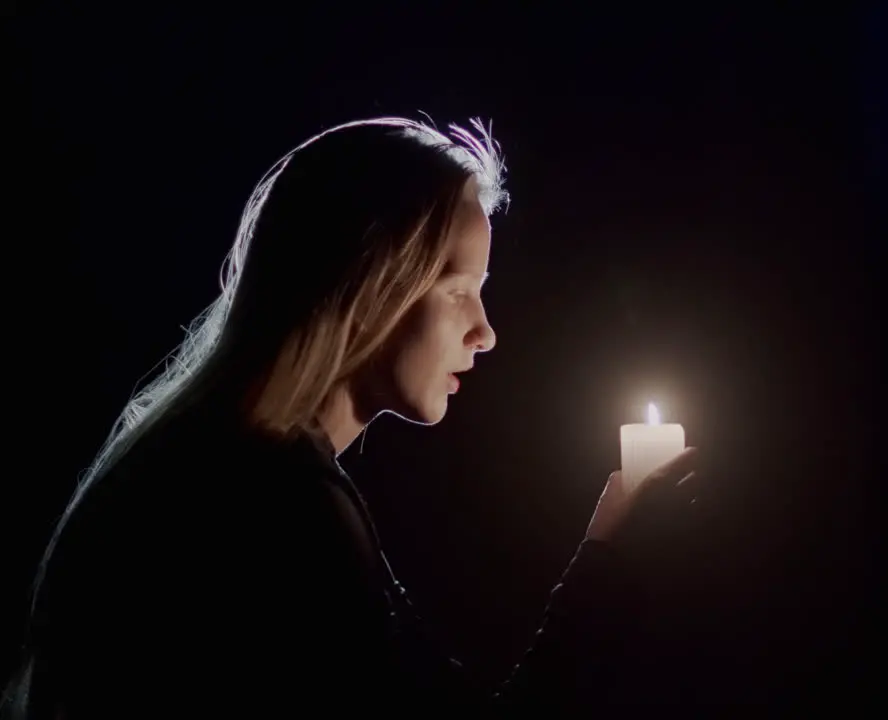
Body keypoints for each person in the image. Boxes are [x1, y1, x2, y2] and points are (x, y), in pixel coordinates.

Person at [2, 117, 701, 718]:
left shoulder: (221, 462)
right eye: (457, 289)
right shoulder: (277, 508)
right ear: (372, 283)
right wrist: (610, 566)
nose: (484, 332)